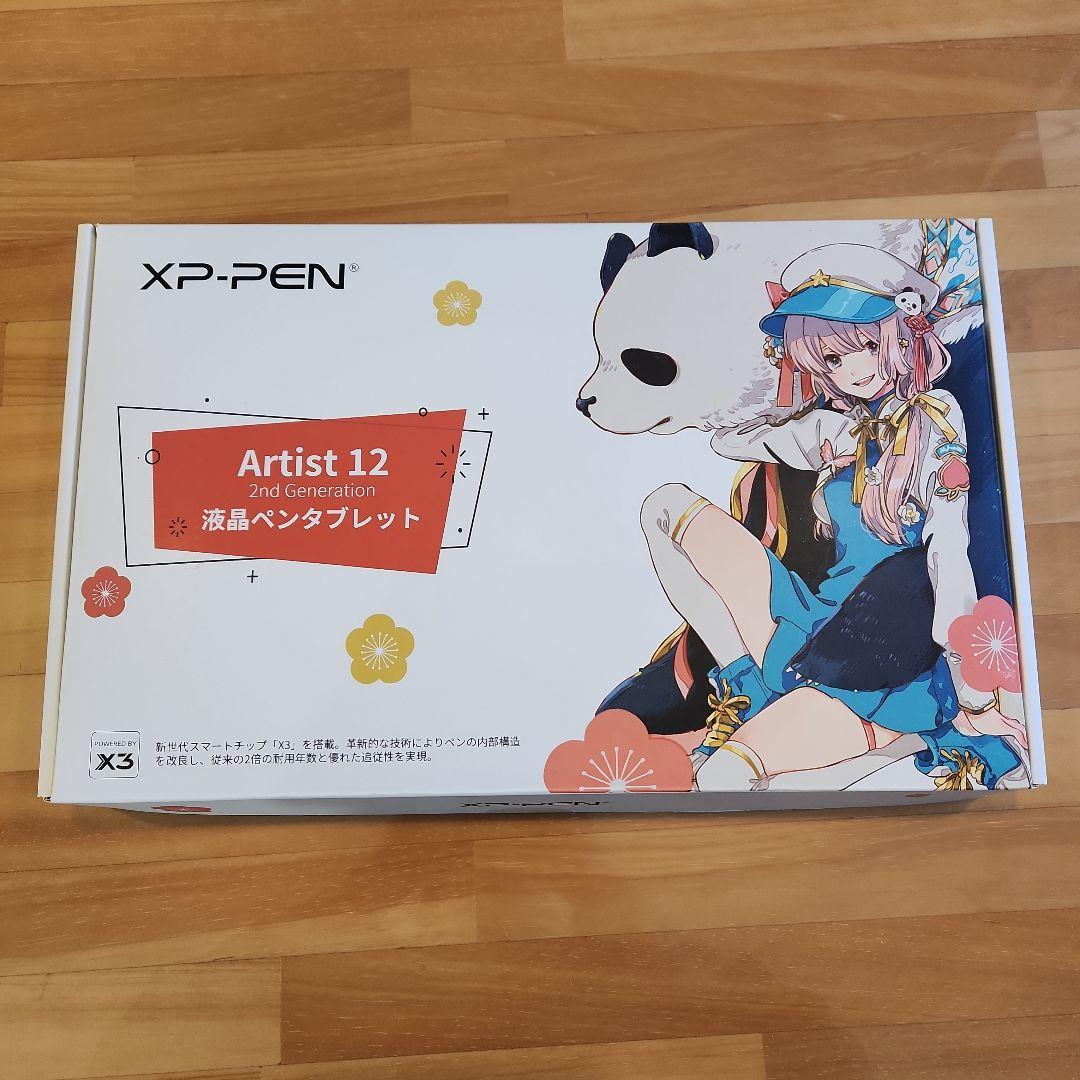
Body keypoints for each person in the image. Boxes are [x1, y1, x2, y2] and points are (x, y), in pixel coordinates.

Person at [639, 244, 1027, 791]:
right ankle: (749, 684)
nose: (854, 371)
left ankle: (894, 729)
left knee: (723, 774)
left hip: (880, 655)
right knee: (664, 507)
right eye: (832, 360)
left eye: (866, 345)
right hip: (813, 619)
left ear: (902, 334)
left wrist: (974, 694)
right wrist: (816, 434)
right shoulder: (844, 427)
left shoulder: (934, 422)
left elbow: (949, 549)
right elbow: (730, 440)